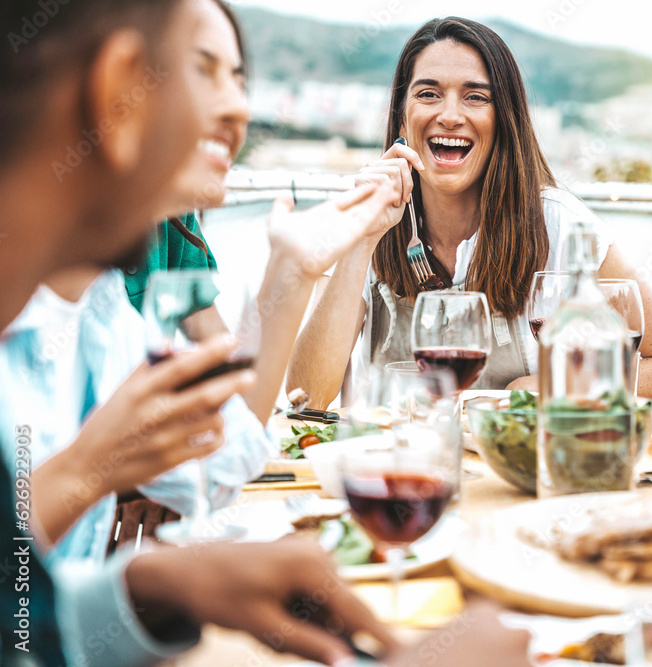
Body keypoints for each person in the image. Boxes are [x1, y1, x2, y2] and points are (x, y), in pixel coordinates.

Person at [0, 1, 531, 665]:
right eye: (208, 72)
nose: (239, 109)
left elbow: (217, 456)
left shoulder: (99, 312)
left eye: (240, 78)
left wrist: (152, 587)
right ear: (118, 86)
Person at [287, 17, 652, 408]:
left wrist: (556, 383)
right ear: (402, 116)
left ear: (504, 119)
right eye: (429, 94)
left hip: (516, 466)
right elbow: (307, 397)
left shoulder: (560, 224)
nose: (450, 115)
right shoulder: (366, 217)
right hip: (399, 463)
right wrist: (362, 238)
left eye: (475, 97)